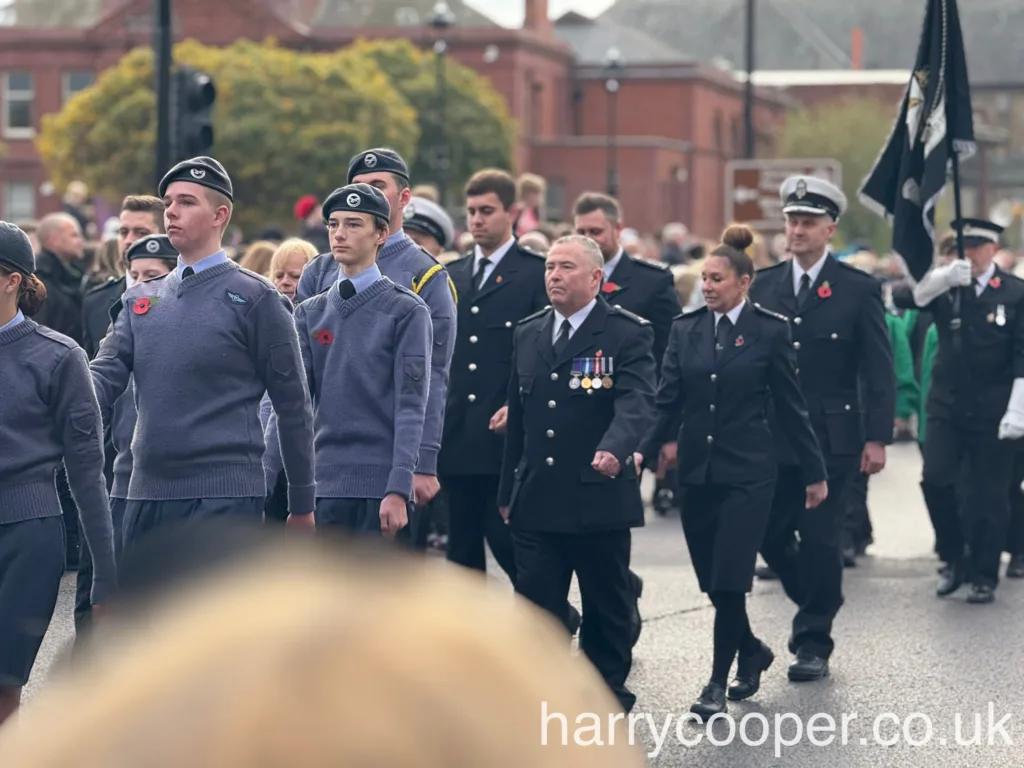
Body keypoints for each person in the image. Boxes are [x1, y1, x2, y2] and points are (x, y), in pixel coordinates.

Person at [89, 156, 316, 560]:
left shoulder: (257, 298)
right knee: (151, 623)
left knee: (215, 625)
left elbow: (292, 405)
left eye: (187, 202)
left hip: (225, 497)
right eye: (168, 202)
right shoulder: (141, 299)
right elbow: (97, 382)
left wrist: (301, 502)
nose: (171, 211)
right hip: (147, 493)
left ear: (220, 214)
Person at [641, 224, 827, 717]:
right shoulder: (686, 330)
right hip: (697, 474)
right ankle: (753, 650)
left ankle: (716, 685)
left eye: (717, 279)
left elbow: (792, 407)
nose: (707, 286)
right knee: (712, 581)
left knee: (730, 580)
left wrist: (814, 471)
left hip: (749, 471)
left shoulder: (770, 329)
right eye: (704, 277)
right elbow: (666, 402)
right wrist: (640, 451)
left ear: (744, 282)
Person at [498, 234, 656, 713]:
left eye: (566, 267)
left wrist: (616, 447)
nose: (554, 275)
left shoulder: (626, 333)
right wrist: (508, 489)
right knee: (535, 603)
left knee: (606, 602)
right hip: (539, 496)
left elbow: (637, 400)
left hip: (597, 495)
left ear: (595, 278)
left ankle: (606, 691)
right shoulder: (528, 332)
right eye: (549, 267)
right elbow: (519, 421)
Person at [748, 176, 894, 680]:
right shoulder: (762, 285)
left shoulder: (857, 288)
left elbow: (878, 369)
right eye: (791, 221)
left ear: (830, 228)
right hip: (770, 436)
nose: (797, 230)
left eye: (808, 222)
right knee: (765, 534)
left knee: (821, 538)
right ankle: (818, 596)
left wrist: (876, 436)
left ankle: (813, 641)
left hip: (832, 437)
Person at [263, 184, 432, 538]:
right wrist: (265, 484)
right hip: (322, 487)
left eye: (354, 224)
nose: (339, 234)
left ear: (381, 233)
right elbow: (291, 406)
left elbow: (412, 406)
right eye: (333, 224)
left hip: (379, 491)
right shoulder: (310, 312)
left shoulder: (407, 311)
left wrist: (399, 489)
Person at [297, 148, 456, 518]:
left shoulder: (425, 275)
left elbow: (431, 377)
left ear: (403, 198)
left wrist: (423, 461)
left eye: (377, 185)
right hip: (326, 461)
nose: (367, 193)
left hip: (388, 463)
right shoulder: (320, 271)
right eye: (357, 186)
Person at [0, 221, 116, 726]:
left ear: (11, 280)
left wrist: (106, 579)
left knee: (3, 689)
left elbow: (88, 473)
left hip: (26, 538)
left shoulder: (58, 356)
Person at [893, 217, 1024, 603]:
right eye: (962, 248)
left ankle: (984, 574)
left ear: (993, 249)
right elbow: (904, 298)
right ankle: (954, 556)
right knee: (935, 480)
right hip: (947, 406)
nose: (969, 255)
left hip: (995, 410)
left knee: (990, 496)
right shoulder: (948, 288)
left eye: (976, 248)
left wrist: (1018, 410)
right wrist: (941, 278)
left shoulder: (1015, 293)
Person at [441, 169, 546, 580]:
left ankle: (550, 614)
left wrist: (516, 405)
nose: (477, 220)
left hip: (504, 430)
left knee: (507, 540)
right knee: (461, 549)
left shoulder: (535, 273)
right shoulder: (452, 276)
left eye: (487, 211)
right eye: (471, 212)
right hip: (458, 429)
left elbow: (540, 351)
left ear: (513, 212)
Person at [74, 234, 180, 637]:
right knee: (101, 602)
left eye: (151, 275)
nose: (137, 284)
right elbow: (95, 384)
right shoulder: (121, 327)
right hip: (120, 482)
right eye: (132, 274)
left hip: (171, 486)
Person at [573, 192, 681, 520]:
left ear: (618, 229)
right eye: (582, 232)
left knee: (610, 522)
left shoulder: (652, 282)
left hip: (627, 417)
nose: (588, 240)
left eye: (596, 232)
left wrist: (668, 432)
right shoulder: (564, 277)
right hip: (573, 415)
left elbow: (672, 357)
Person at [82, 196, 166, 360]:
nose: (128, 241)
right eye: (123, 232)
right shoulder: (96, 301)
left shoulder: (184, 296)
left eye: (141, 233)